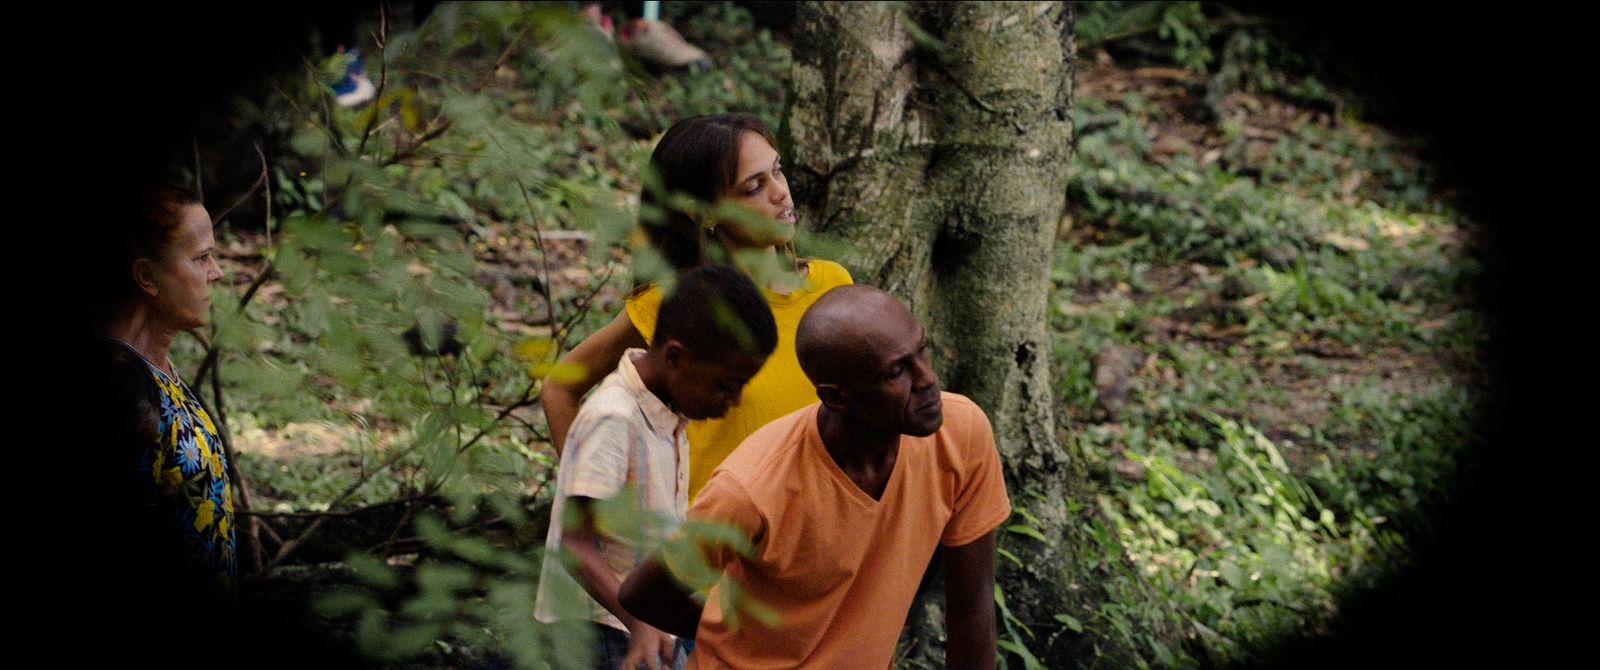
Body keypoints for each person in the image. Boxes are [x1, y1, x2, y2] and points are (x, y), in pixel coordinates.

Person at [619, 286, 1012, 670]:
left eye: (921, 351)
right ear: (836, 396)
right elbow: (644, 594)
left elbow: (972, 605)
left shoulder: (961, 433)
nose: (927, 380)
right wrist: (744, 643)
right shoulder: (754, 487)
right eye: (897, 371)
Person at [542, 113, 853, 500]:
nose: (780, 193)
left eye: (777, 171)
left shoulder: (833, 286)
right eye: (754, 187)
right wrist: (594, 499)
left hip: (815, 528)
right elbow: (560, 385)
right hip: (708, 532)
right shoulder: (677, 304)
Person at [535, 265, 779, 670]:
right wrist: (639, 622)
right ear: (675, 357)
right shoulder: (614, 419)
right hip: (600, 629)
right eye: (724, 385)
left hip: (640, 622)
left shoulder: (669, 412)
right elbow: (574, 545)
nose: (733, 402)